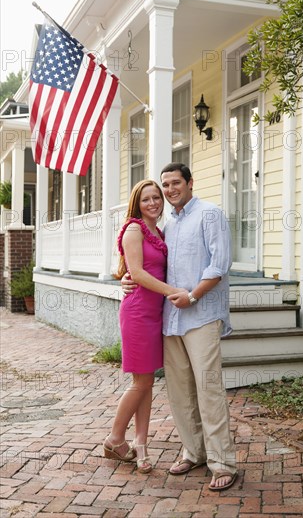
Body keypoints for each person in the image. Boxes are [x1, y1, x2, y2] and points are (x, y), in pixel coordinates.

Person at [122, 163, 237, 491]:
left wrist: (194, 295)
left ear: (190, 182)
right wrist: (127, 279)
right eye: (165, 185)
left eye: (175, 184)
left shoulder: (210, 214)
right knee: (179, 391)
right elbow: (146, 265)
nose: (170, 190)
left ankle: (222, 462)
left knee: (208, 389)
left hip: (201, 315)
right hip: (171, 320)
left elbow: (219, 264)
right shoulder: (167, 224)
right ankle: (194, 451)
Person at [104, 179, 182, 473]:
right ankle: (114, 439)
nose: (153, 203)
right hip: (138, 313)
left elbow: (137, 270)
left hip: (155, 313)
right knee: (141, 382)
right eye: (146, 199)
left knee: (146, 383)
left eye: (156, 198)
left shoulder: (157, 232)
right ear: (137, 203)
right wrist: (172, 290)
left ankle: (141, 445)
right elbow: (135, 272)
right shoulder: (134, 229)